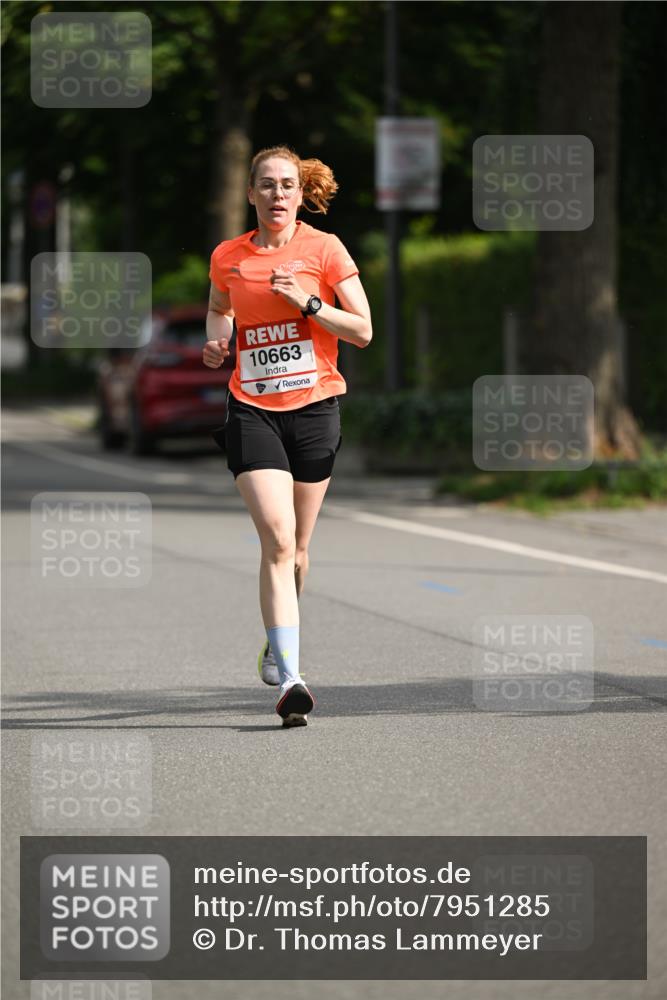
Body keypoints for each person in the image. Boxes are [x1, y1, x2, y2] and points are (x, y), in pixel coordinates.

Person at [202, 146, 372, 728]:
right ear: (250, 194)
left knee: (298, 549)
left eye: (288, 186)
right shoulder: (228, 256)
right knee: (276, 538)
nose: (278, 194)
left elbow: (364, 330)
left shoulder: (324, 249)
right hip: (251, 408)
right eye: (267, 185)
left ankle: (276, 645)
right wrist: (217, 340)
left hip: (316, 406)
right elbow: (219, 309)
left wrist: (308, 301)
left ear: (301, 196)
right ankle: (294, 679)